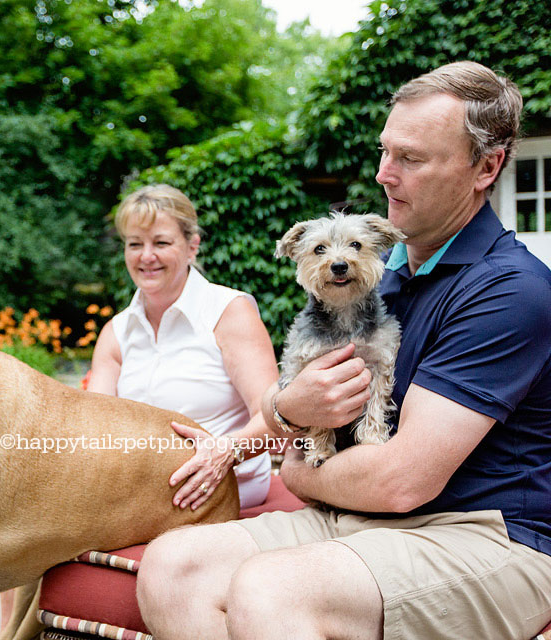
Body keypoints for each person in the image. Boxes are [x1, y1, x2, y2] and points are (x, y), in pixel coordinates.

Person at [136, 61, 551, 640]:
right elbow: (301, 408)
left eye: (411, 158)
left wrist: (302, 474)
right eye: (386, 152)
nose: (384, 174)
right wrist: (267, 429)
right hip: (365, 520)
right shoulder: (375, 280)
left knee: (271, 590)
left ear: (487, 167)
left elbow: (401, 480)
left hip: (482, 532)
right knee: (172, 567)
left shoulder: (510, 291)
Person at [89, 184, 280, 510]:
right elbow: (92, 426)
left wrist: (223, 454)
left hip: (226, 486)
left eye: (161, 243)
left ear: (192, 247)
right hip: (141, 489)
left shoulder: (229, 312)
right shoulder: (116, 332)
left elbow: (274, 417)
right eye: (135, 244)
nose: (146, 256)